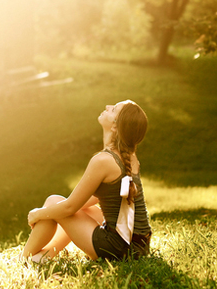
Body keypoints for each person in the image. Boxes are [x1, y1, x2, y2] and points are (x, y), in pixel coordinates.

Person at [21, 100, 151, 262]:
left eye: (113, 109)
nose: (107, 107)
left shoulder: (103, 161)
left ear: (115, 127)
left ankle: (24, 258)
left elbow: (69, 207)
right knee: (70, 209)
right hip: (139, 245)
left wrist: (37, 214)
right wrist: (64, 211)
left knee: (53, 201)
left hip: (118, 248)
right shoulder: (130, 157)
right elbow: (98, 198)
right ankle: (43, 257)